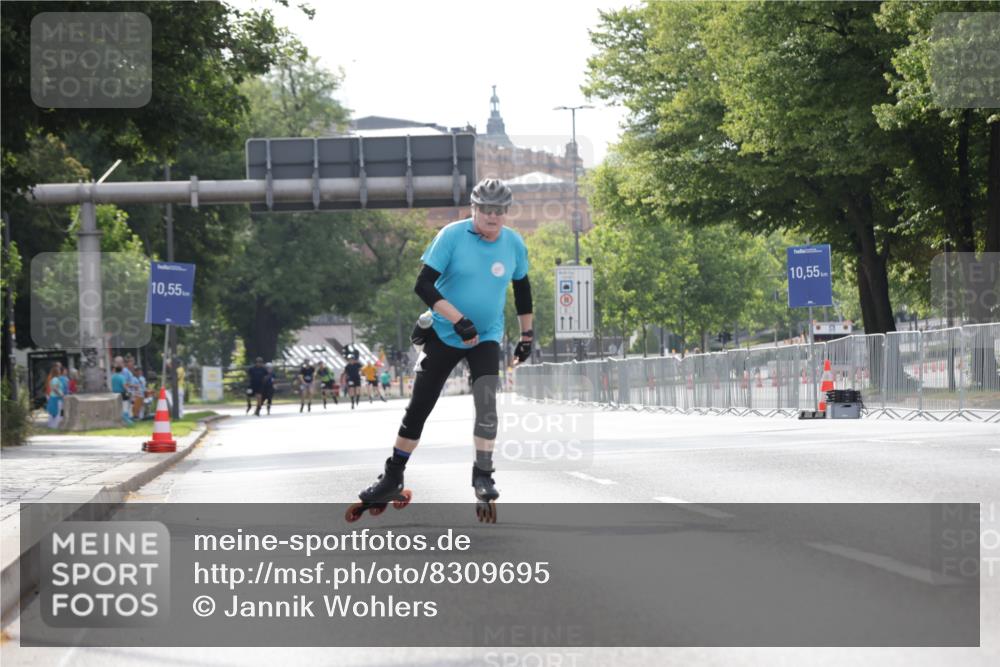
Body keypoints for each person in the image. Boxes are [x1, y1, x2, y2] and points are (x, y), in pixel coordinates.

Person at [349, 179, 534, 523]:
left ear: (506, 213)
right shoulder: (451, 235)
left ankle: (483, 474)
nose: (492, 217)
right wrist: (457, 319)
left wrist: (527, 335)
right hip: (443, 333)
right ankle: (392, 476)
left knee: (486, 403)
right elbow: (422, 283)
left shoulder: (513, 244)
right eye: (485, 210)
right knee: (420, 406)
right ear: (474, 209)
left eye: (499, 211)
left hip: (486, 336)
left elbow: (522, 288)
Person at [110, 357, 134, 425]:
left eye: (119, 363)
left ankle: (123, 419)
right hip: (123, 393)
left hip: (115, 393)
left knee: (121, 407)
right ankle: (127, 420)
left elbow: (131, 381)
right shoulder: (121, 376)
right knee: (125, 406)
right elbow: (125, 386)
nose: (117, 364)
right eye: (116, 363)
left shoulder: (114, 376)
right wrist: (128, 391)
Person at [45, 362, 65, 429]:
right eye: (58, 370)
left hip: (53, 397)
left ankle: (52, 425)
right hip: (56, 398)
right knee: (57, 412)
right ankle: (55, 426)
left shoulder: (52, 379)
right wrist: (61, 394)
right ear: (57, 372)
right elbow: (55, 388)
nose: (60, 371)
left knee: (53, 412)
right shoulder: (55, 379)